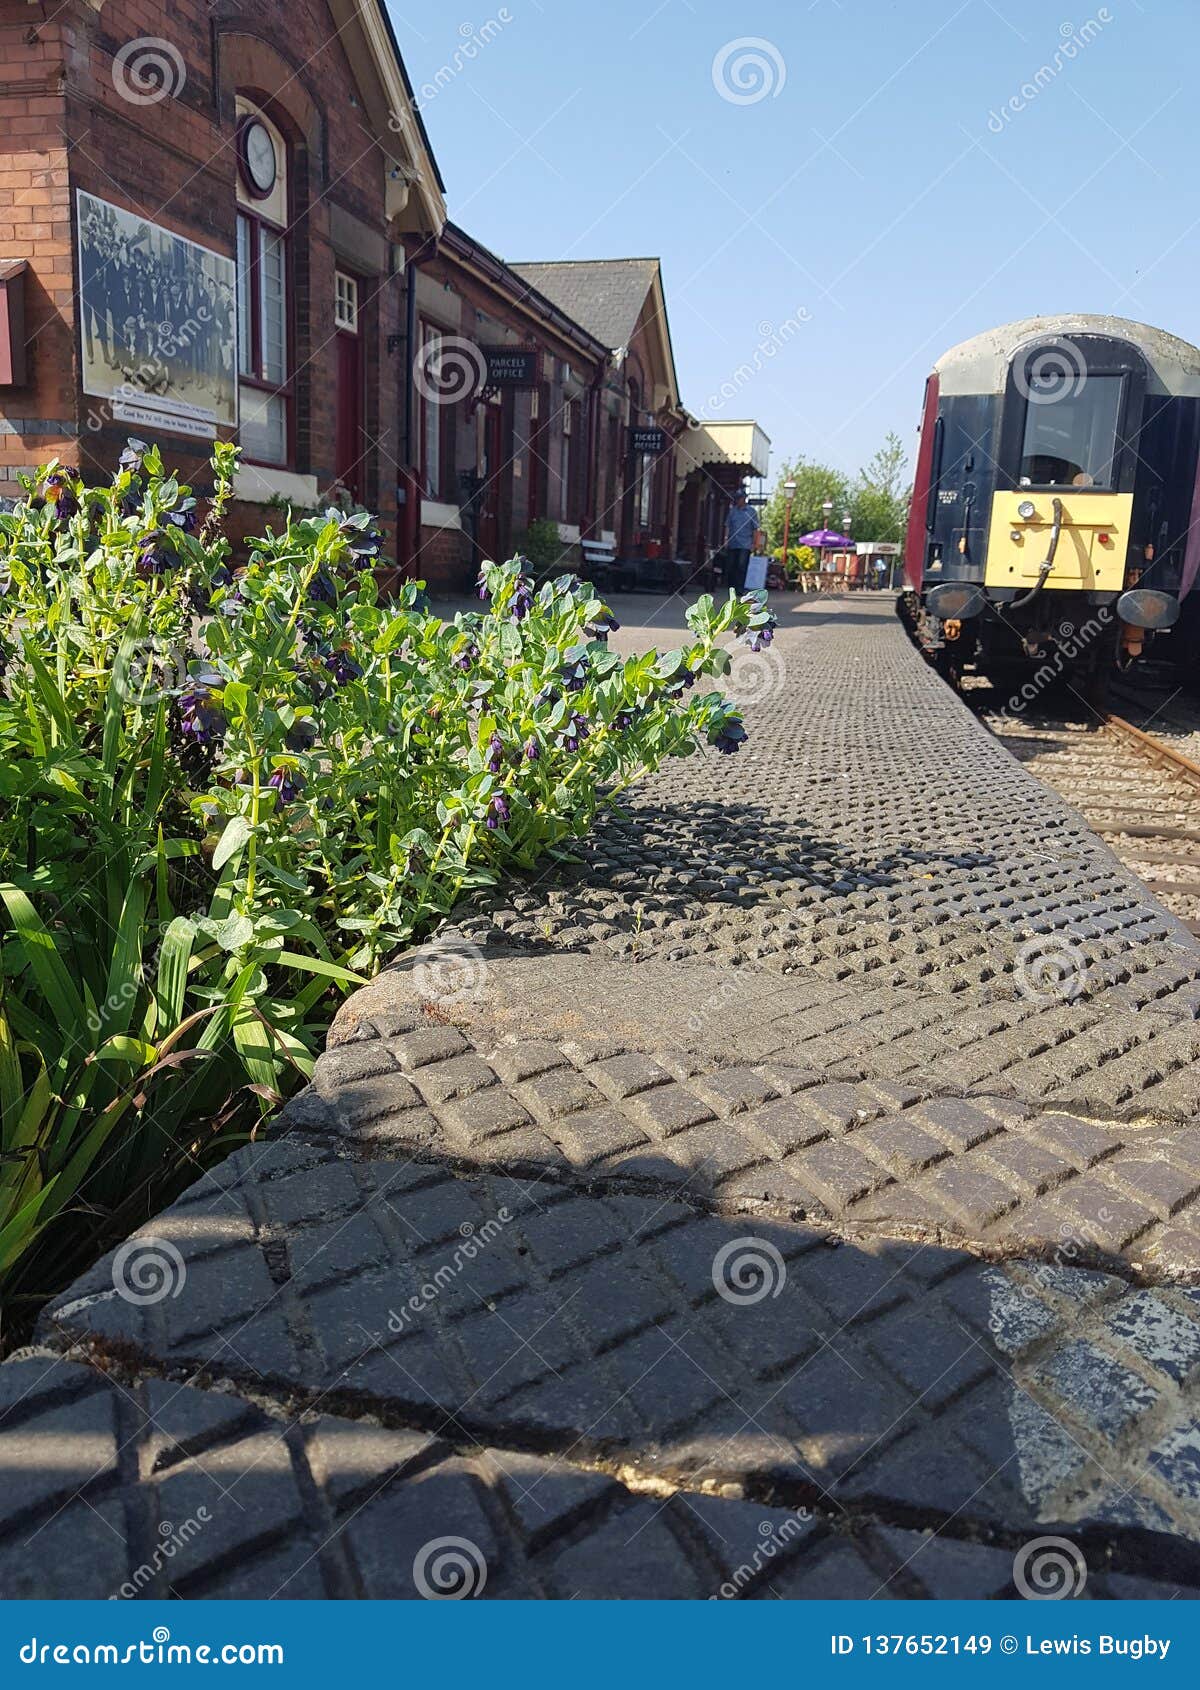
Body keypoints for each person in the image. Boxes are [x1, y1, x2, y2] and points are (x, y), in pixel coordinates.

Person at [724, 492, 757, 590]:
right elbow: (727, 526)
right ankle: (731, 587)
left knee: (741, 566)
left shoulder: (751, 512)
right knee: (731, 566)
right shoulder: (732, 511)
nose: (738, 500)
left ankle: (739, 588)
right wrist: (725, 539)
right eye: (736, 498)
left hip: (745, 544)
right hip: (733, 542)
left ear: (744, 499)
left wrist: (754, 543)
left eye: (739, 498)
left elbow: (755, 529)